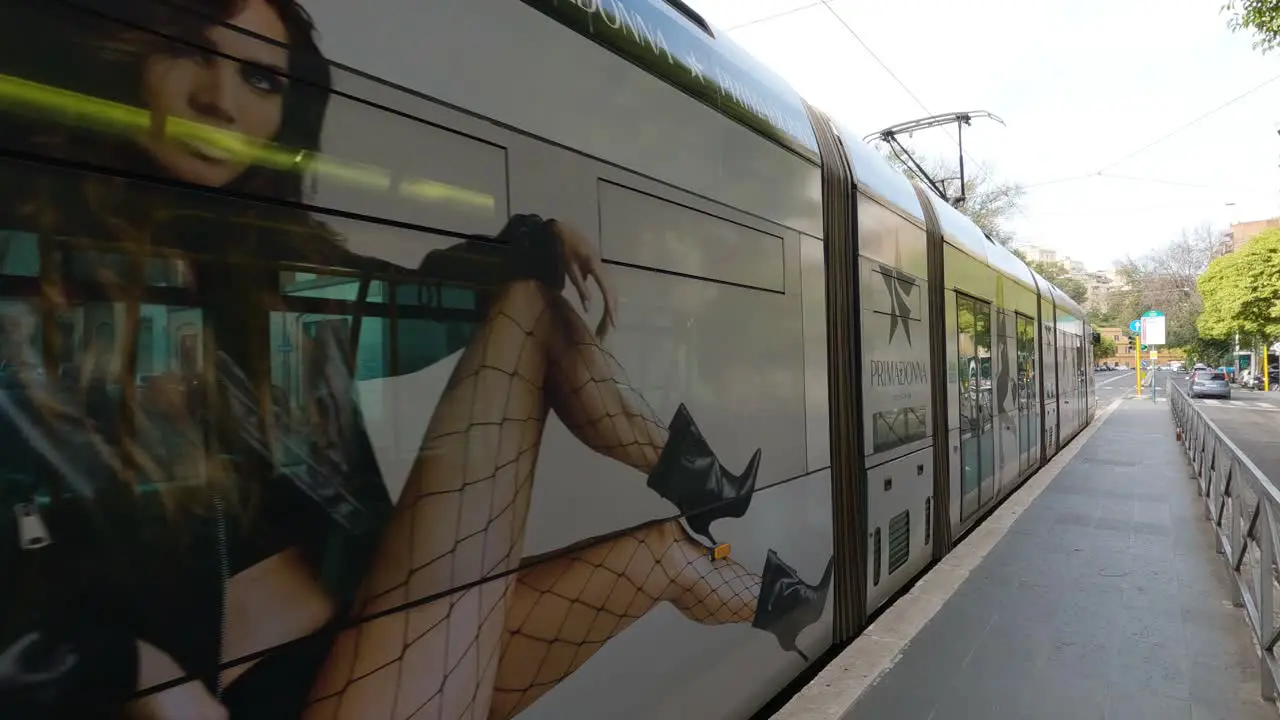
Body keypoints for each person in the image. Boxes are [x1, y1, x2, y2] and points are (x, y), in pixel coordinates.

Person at [0, 0, 834, 718]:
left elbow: (415, 303)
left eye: (261, 79)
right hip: (289, 692)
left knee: (663, 547)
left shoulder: (263, 275)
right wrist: (129, 666)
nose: (220, 101)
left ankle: (795, 598)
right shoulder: (38, 281)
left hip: (382, 633)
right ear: (131, 51)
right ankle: (705, 485)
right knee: (530, 308)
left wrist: (532, 240)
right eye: (192, 50)